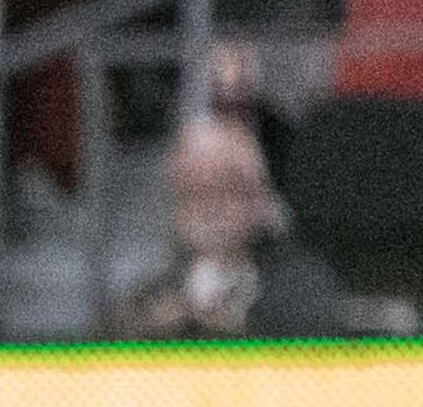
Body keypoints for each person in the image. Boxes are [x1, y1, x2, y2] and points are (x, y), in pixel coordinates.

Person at [120, 113, 349, 338]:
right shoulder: (153, 289)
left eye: (227, 189)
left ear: (260, 198)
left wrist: (221, 322)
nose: (210, 208)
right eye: (192, 192)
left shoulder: (303, 283)